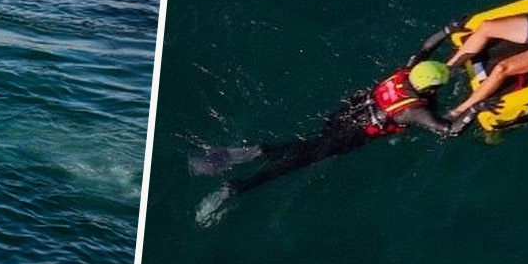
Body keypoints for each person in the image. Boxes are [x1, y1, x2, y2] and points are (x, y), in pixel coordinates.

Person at [191, 28, 466, 222]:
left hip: (342, 115)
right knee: (293, 164)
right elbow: (449, 130)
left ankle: (261, 150)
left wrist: (448, 28)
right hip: (349, 136)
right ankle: (236, 188)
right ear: (428, 88)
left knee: (308, 143)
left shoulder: (406, 72)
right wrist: (476, 108)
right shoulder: (414, 112)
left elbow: (425, 48)